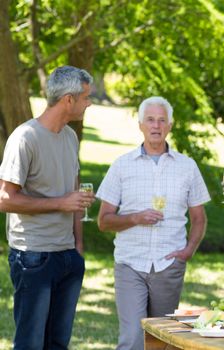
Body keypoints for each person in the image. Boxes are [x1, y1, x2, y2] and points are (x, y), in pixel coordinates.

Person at [96, 96, 210, 350]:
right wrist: (135, 217)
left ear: (170, 125)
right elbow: (103, 221)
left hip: (169, 265)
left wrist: (188, 251)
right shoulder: (121, 166)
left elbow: (199, 219)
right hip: (130, 264)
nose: (156, 126)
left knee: (162, 342)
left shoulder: (187, 167)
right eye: (150, 120)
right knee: (133, 340)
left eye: (161, 120)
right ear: (140, 125)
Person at [0, 65, 95, 349]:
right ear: (69, 99)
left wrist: (77, 248)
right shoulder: (25, 137)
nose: (89, 103)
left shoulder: (69, 137)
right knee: (31, 343)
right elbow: (5, 198)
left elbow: (74, 194)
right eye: (86, 97)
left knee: (57, 343)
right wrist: (60, 203)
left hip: (66, 255)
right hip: (34, 257)